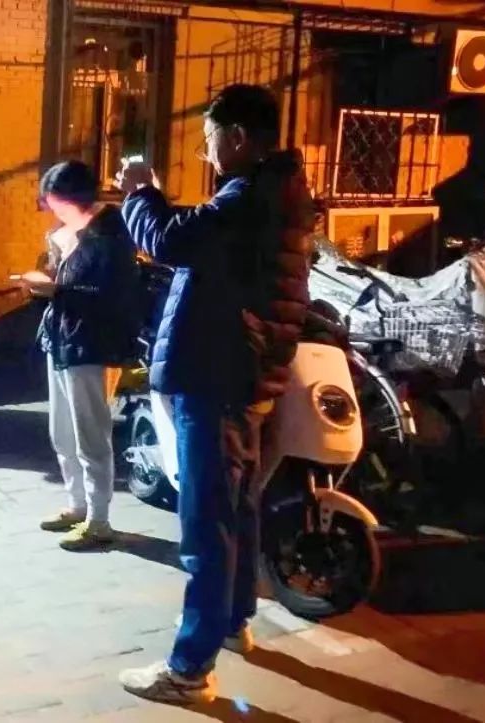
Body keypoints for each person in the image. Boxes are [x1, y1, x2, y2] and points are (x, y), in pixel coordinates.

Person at [116, 85, 312, 703]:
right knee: (236, 507)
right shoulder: (273, 194)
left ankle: (189, 669)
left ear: (238, 137)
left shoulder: (249, 199)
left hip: (217, 376)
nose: (206, 150)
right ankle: (232, 623)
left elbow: (169, 239)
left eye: (209, 137)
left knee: (207, 521)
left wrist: (139, 192)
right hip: (241, 375)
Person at [17, 160, 140, 551]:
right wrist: (48, 277)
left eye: (53, 201)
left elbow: (110, 293)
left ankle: (99, 519)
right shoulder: (70, 232)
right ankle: (77, 505)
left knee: (91, 433)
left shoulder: (109, 234)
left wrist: (57, 290)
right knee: (63, 431)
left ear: (73, 198)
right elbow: (64, 279)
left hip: (89, 342)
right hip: (61, 338)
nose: (50, 209)